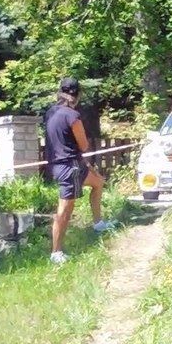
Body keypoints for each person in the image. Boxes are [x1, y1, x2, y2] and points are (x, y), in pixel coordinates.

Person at [44, 77, 115, 265]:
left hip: (61, 164)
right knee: (64, 211)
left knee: (98, 182)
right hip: (70, 167)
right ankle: (56, 252)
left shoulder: (50, 112)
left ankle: (98, 224)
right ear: (78, 95)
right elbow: (83, 145)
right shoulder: (72, 116)